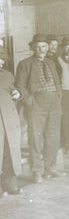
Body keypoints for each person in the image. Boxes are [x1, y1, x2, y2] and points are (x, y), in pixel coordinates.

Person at [15, 34, 63, 183]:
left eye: (44, 47)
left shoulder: (51, 62)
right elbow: (20, 86)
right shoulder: (25, 64)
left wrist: (58, 96)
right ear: (33, 48)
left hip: (54, 104)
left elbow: (57, 82)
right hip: (37, 105)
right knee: (35, 138)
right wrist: (30, 102)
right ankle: (37, 171)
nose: (41, 50)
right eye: (38, 47)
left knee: (53, 137)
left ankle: (50, 168)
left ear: (47, 48)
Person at [0, 48, 22, 196]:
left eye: (3, 59)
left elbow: (13, 89)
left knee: (10, 151)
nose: (2, 62)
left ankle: (10, 183)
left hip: (8, 118)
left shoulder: (7, 75)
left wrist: (16, 93)